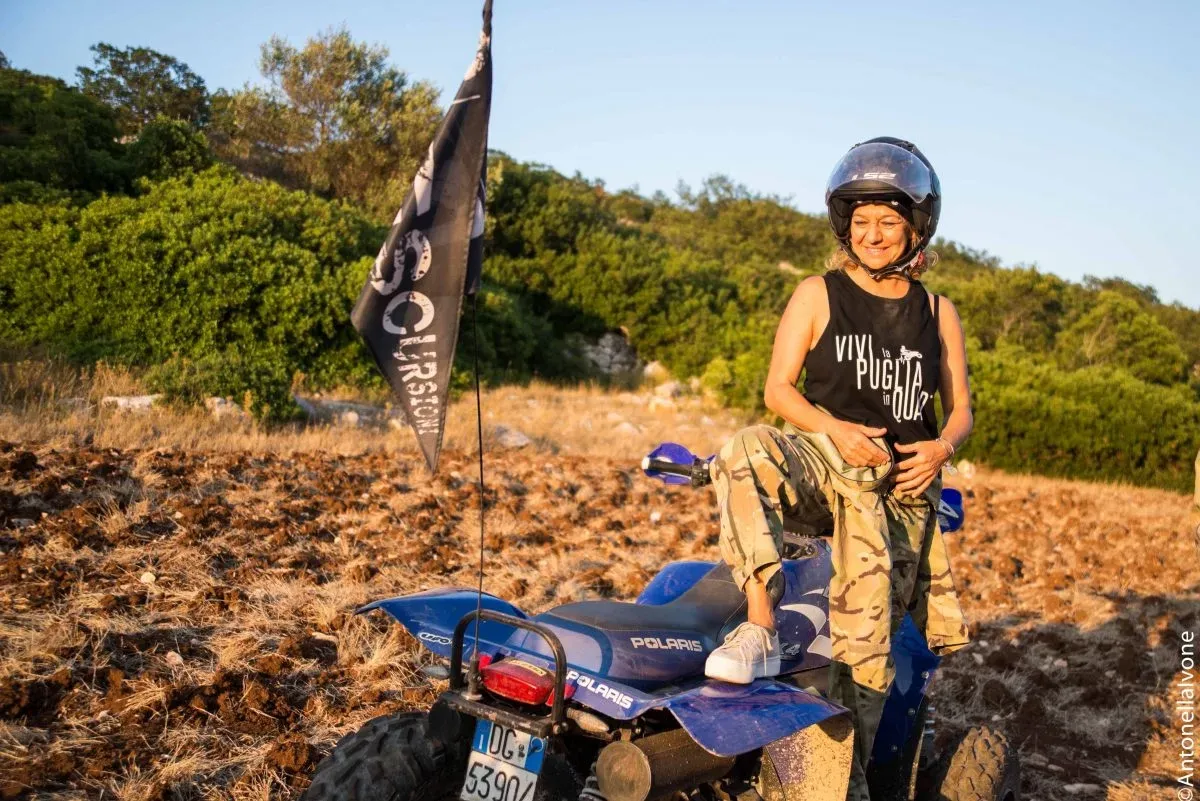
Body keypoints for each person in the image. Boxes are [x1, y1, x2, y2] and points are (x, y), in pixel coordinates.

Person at [702, 138, 972, 800]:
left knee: (869, 657)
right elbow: (778, 390)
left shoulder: (938, 312)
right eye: (861, 221)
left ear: (914, 228)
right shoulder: (817, 294)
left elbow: (961, 408)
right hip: (826, 460)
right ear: (844, 227)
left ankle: (837, 783)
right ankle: (760, 626)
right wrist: (834, 429)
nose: (873, 234)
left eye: (887, 221)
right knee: (745, 450)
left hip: (900, 496)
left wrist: (941, 448)